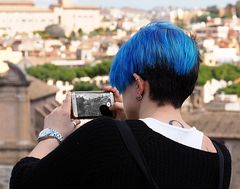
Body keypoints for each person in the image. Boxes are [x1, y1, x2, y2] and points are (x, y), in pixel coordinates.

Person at [10, 21, 231, 189]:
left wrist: (52, 134)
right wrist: (131, 127)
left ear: (138, 85)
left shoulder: (106, 136)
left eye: (123, 86)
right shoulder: (220, 157)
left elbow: (24, 182)